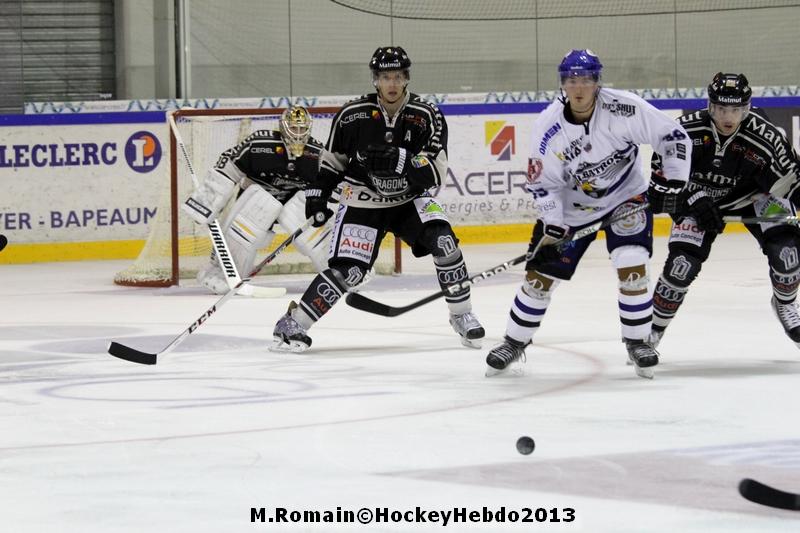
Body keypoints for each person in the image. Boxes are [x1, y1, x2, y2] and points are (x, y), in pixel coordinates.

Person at [485, 49, 692, 379]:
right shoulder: (548, 127)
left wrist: (674, 182)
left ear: (597, 82)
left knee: (632, 265)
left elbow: (672, 135)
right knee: (539, 279)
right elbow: (543, 184)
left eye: (585, 80)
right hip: (573, 210)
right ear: (563, 84)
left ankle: (638, 342)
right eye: (571, 80)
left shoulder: (624, 108)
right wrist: (553, 222)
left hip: (626, 197)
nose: (578, 87)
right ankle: (513, 342)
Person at [269, 46, 485, 352]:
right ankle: (293, 322)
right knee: (350, 271)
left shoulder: (426, 115)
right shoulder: (352, 115)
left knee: (445, 243)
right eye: (385, 77)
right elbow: (332, 162)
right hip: (363, 200)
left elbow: (435, 173)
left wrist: (401, 161)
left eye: (397, 76)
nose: (392, 84)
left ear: (406, 78)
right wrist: (318, 195)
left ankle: (462, 315)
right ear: (375, 80)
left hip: (409, 199)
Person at [650, 73, 800, 350]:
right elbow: (661, 181)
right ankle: (651, 331)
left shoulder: (766, 136)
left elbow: (792, 181)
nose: (728, 117)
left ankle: (786, 304)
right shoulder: (684, 131)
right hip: (700, 202)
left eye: (736, 109)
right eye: (721, 109)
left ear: (747, 108)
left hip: (755, 198)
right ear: (710, 106)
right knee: (681, 266)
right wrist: (693, 199)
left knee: (787, 253)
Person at [181, 106, 332, 296]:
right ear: (283, 127)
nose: (298, 133)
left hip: (291, 206)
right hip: (255, 204)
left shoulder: (316, 154)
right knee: (261, 205)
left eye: (303, 128)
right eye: (294, 128)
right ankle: (221, 272)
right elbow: (229, 163)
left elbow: (333, 181)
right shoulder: (260, 144)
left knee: (308, 209)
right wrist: (205, 201)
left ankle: (339, 269)